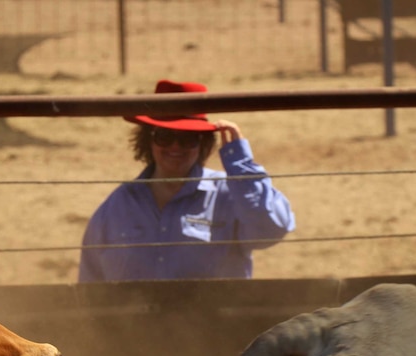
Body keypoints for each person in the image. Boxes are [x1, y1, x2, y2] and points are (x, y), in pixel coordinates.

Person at [78, 79, 295, 283]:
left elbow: (270, 231)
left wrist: (241, 165)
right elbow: (91, 279)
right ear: (148, 140)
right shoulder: (118, 204)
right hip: (131, 323)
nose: (175, 147)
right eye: (164, 136)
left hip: (215, 322)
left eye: (187, 139)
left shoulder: (229, 194)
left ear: (203, 144)